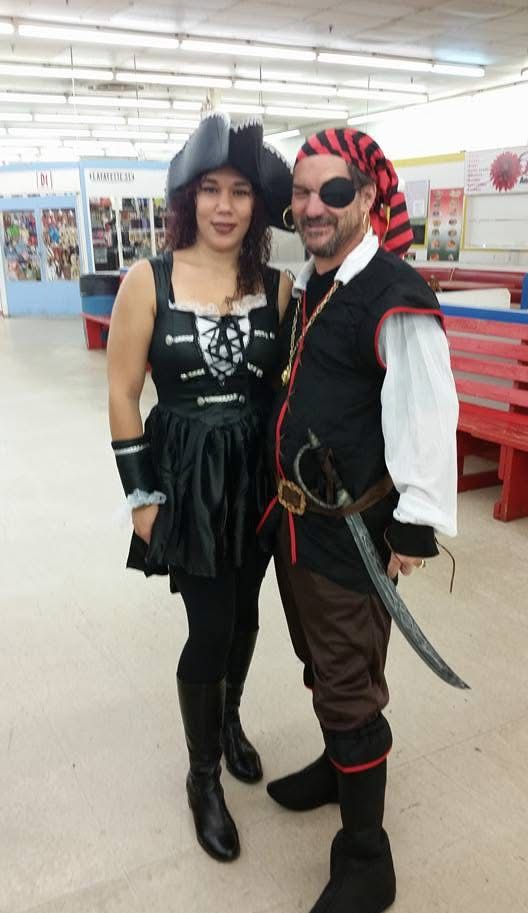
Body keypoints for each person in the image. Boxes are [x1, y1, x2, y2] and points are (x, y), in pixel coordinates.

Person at [258, 127, 458, 913]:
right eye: (302, 193)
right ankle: (339, 774)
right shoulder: (316, 282)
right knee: (320, 663)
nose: (313, 207)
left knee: (349, 687)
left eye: (332, 192)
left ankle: (367, 857)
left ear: (368, 198)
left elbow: (426, 410)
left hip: (351, 536)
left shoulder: (393, 291)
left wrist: (414, 519)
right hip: (294, 529)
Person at [107, 114, 292, 863]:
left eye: (240, 191)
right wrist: (142, 498)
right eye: (210, 189)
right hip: (186, 483)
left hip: (259, 482)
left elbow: (289, 390)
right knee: (209, 628)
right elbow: (122, 393)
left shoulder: (278, 288)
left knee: (247, 618)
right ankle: (203, 775)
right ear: (189, 198)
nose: (225, 205)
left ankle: (232, 718)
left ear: (256, 204)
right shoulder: (146, 281)